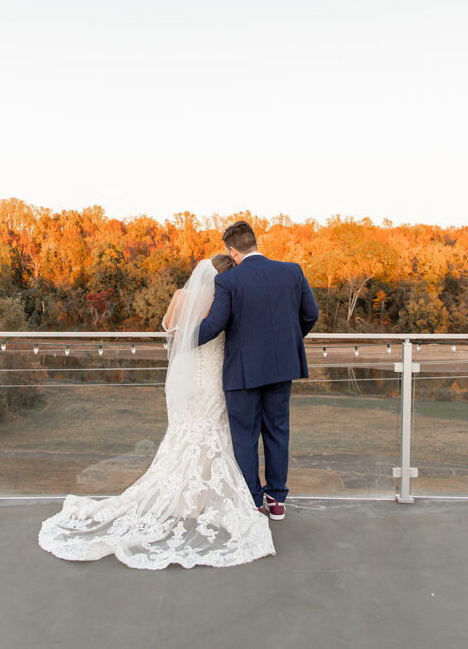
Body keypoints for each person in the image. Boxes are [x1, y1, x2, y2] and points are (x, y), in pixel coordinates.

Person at [38, 254, 275, 570]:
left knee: (185, 430)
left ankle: (181, 497)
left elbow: (170, 330)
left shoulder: (181, 297)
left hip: (182, 372)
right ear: (227, 277)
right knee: (211, 429)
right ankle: (200, 499)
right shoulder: (227, 298)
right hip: (210, 374)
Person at [198, 221, 320, 520]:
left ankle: (252, 500)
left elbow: (214, 326)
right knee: (278, 432)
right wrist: (288, 342)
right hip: (281, 367)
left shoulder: (228, 281)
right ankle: (277, 501)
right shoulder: (292, 271)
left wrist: (180, 341)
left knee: (245, 436)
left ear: (232, 250)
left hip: (242, 371)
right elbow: (311, 314)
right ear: (254, 243)